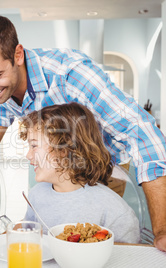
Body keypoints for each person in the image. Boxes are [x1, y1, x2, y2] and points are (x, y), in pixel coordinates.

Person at [0, 13, 166, 260]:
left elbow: (143, 134)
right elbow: (3, 107)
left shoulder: (70, 74)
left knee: (93, 247)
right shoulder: (3, 85)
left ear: (18, 55)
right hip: (59, 174)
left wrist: (163, 228)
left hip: (104, 171)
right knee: (61, 245)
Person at [20, 103, 140, 243]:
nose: (28, 155)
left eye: (34, 146)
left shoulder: (115, 212)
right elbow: (27, 237)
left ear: (64, 149)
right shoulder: (36, 195)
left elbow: (129, 258)